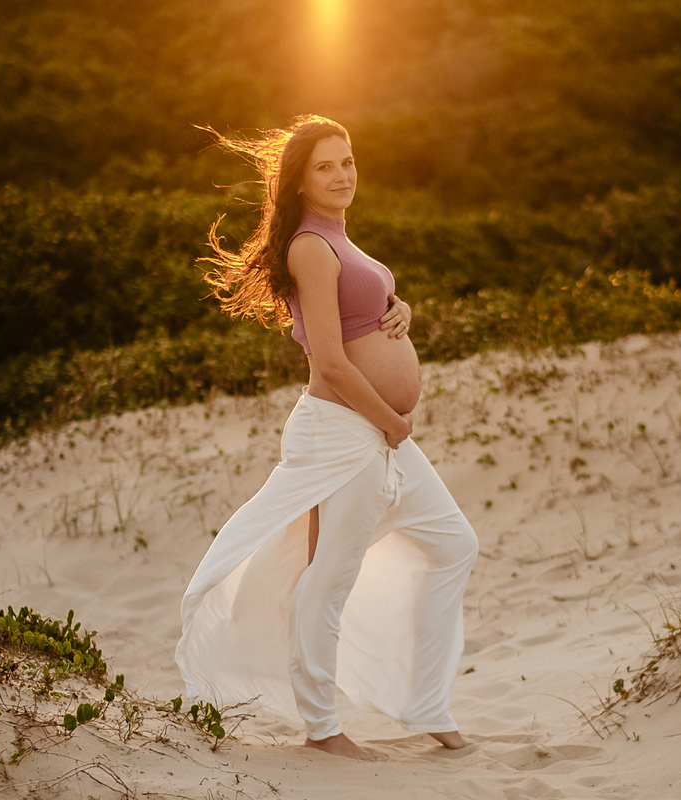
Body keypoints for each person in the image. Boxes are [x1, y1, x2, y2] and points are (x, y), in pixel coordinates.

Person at [175, 115, 479, 761]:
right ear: (300, 182)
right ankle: (322, 727)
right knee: (327, 580)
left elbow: (359, 312)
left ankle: (424, 702)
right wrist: (392, 421)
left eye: (347, 161)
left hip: (374, 433)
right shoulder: (310, 246)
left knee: (454, 542)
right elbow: (330, 363)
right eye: (325, 166)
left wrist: (401, 308)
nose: (342, 174)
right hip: (345, 430)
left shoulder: (340, 239)